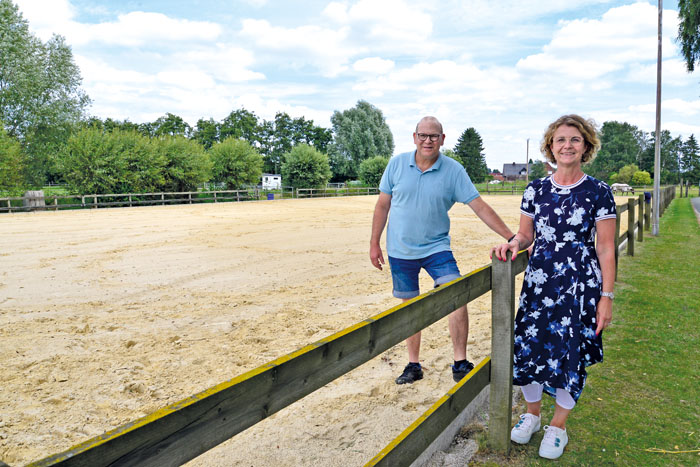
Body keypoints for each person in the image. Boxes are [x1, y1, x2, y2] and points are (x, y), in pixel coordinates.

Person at [491, 114, 617, 460]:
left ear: (586, 147)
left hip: (581, 287)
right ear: (550, 147)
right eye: (560, 140)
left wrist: (606, 297)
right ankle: (532, 415)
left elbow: (605, 248)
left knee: (571, 353)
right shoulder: (535, 190)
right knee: (530, 348)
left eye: (575, 140)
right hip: (540, 283)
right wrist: (513, 244)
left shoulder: (599, 192)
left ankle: (558, 426)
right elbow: (527, 234)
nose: (567, 146)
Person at [370, 116, 515, 385]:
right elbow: (382, 206)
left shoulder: (454, 171)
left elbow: (480, 206)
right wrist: (374, 243)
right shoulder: (396, 165)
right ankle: (413, 365)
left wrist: (512, 236)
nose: (428, 140)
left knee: (456, 295)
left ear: (442, 139)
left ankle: (460, 362)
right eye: (423, 135)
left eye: (433, 136)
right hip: (400, 250)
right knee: (410, 308)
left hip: (437, 248)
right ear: (414, 137)